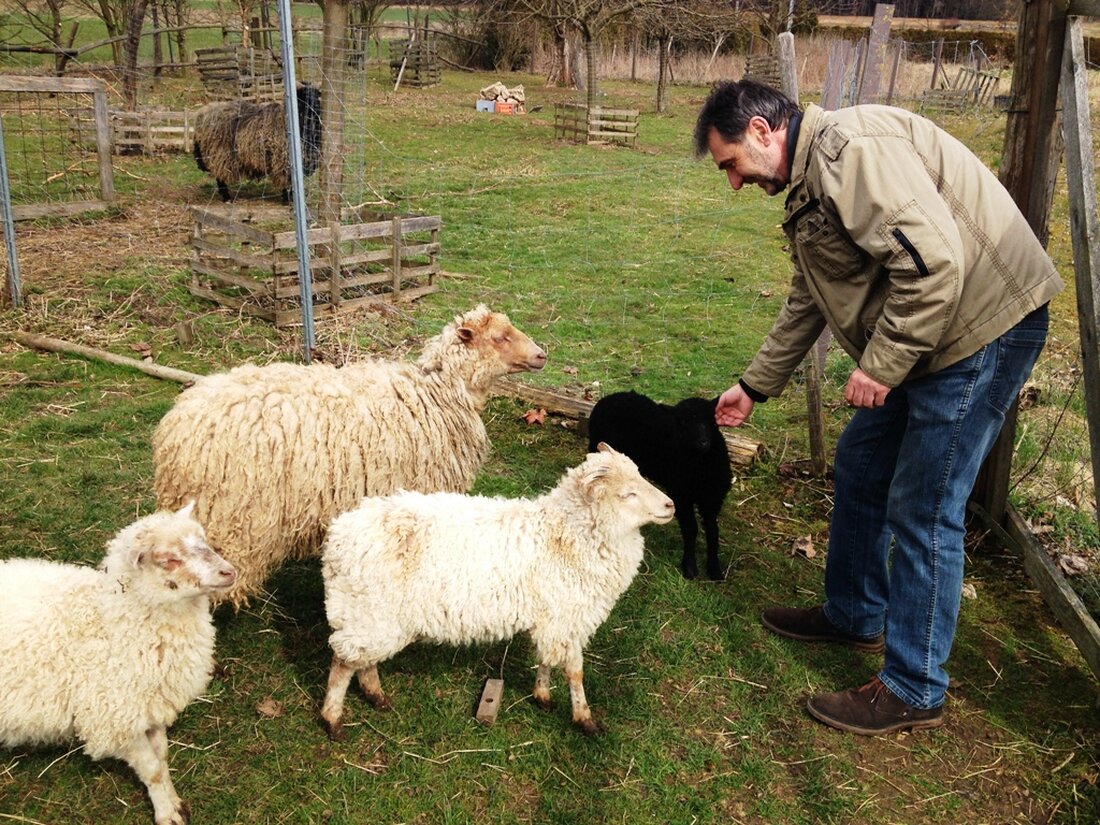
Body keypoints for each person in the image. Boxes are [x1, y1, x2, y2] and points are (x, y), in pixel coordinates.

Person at [694, 80, 1063, 735]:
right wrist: (753, 386)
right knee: (861, 461)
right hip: (931, 329)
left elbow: (937, 265)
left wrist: (881, 365)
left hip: (984, 324)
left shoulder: (849, 154)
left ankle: (915, 685)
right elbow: (809, 297)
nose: (733, 183)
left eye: (730, 164)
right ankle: (855, 611)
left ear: (759, 130)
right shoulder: (811, 186)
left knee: (926, 504)